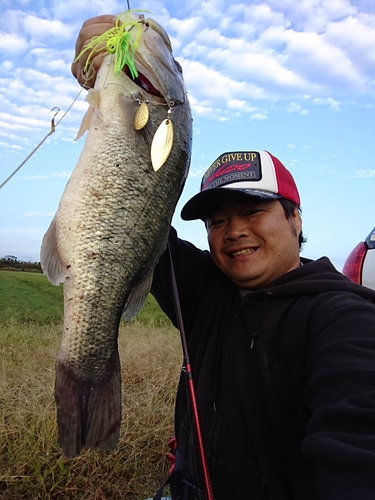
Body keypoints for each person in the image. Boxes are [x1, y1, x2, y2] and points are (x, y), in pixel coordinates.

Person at [72, 16, 375, 500]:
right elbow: (123, 223)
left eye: (253, 210)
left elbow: (358, 440)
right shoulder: (202, 288)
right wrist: (109, 76)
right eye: (216, 221)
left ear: (296, 220)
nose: (233, 231)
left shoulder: (345, 317)